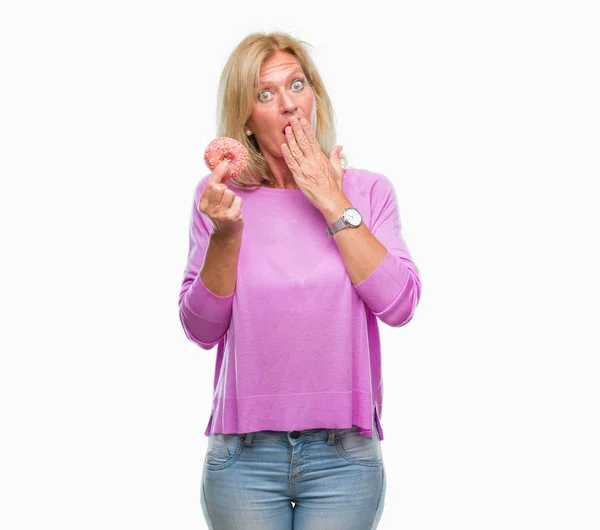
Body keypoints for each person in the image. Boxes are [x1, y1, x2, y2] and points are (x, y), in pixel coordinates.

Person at [178, 31, 422, 530]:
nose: (289, 105)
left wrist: (332, 201)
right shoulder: (219, 197)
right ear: (244, 117)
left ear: (315, 94)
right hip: (243, 457)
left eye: (297, 84)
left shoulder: (367, 192)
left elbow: (399, 304)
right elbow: (201, 329)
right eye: (265, 94)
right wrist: (225, 237)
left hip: (344, 455)